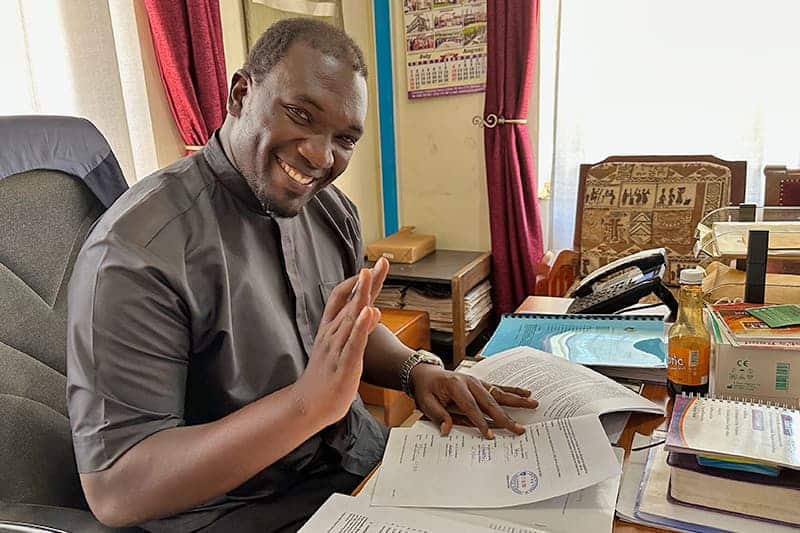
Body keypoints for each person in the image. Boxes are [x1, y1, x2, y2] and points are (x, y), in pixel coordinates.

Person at [66, 18, 537, 532]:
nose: (321, 155)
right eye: (300, 114)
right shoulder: (136, 251)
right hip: (242, 511)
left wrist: (417, 371)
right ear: (241, 94)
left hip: (359, 465)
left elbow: (343, 329)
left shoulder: (330, 210)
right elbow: (117, 490)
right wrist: (306, 407)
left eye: (345, 138)